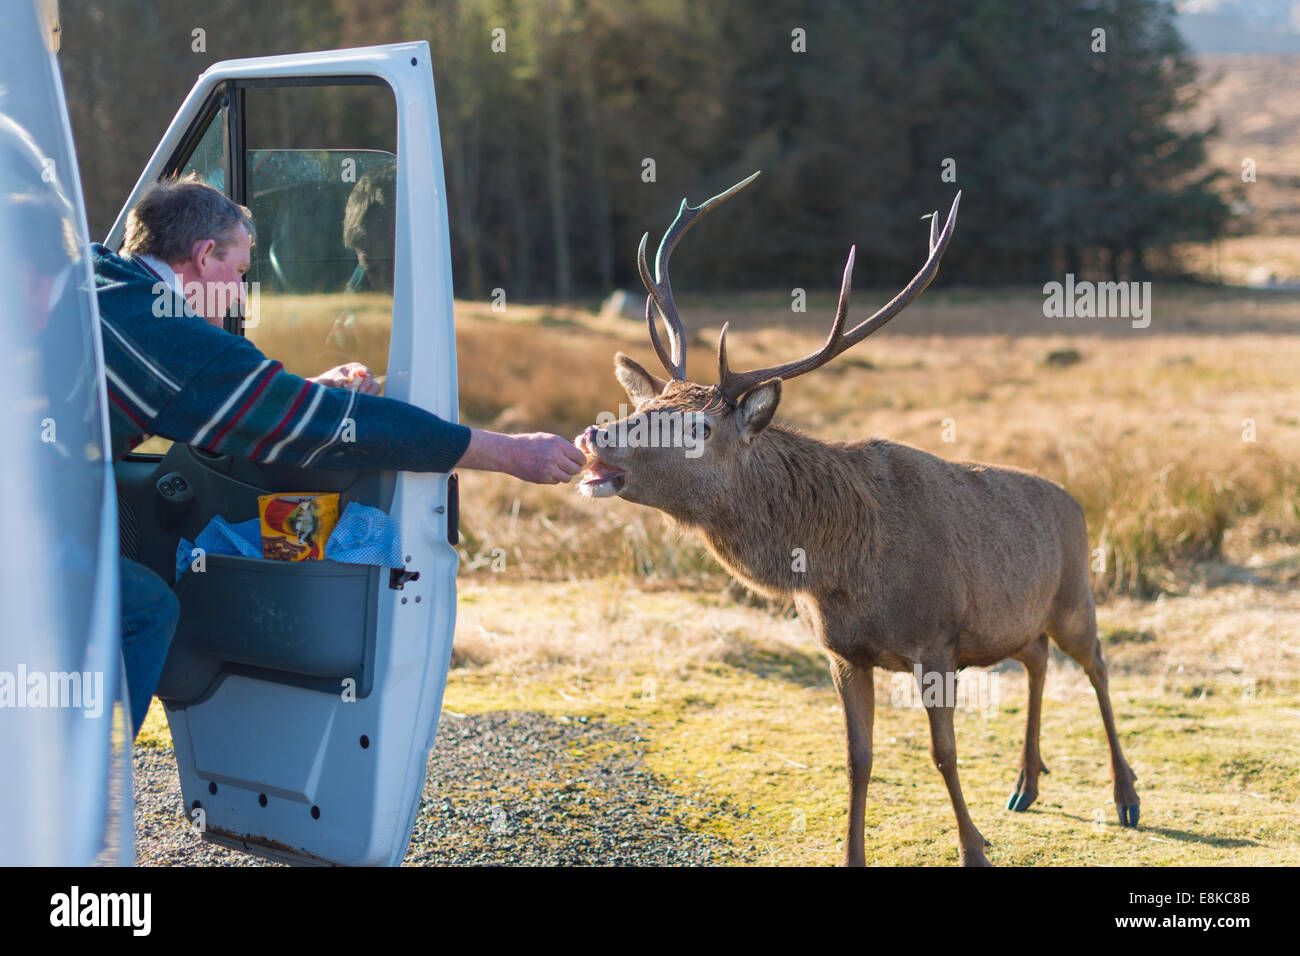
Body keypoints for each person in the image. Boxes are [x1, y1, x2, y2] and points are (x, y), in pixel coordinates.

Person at [95, 174, 584, 738]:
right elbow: (324, 426)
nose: (237, 294)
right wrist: (506, 451)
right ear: (205, 256)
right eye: (241, 272)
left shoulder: (101, 273)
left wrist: (302, 389)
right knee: (143, 612)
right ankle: (81, 799)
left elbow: (222, 403)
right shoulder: (174, 336)